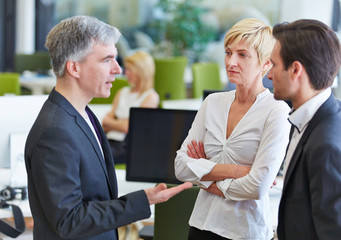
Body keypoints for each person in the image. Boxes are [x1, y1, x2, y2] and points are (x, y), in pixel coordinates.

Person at [24, 15, 192, 240]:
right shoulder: (55, 132)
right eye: (107, 60)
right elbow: (69, 221)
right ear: (74, 67)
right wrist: (142, 200)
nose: (118, 69)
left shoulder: (83, 114)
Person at [174, 18, 291, 240]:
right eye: (228, 52)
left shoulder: (276, 111)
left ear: (266, 64)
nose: (231, 62)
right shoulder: (212, 103)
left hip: (246, 231)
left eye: (242, 55)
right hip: (201, 225)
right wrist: (238, 171)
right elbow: (181, 167)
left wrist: (205, 176)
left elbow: (257, 187)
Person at [267, 19, 341, 239]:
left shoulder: (325, 145)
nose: (269, 74)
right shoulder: (308, 118)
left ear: (295, 69)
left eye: (274, 64)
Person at [102, 51, 159, 164]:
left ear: (141, 72)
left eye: (129, 69)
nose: (125, 72)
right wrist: (123, 123)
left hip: (126, 146)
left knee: (94, 157)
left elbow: (130, 128)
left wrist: (115, 122)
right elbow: (105, 122)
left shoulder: (151, 96)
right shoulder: (122, 92)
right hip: (109, 141)